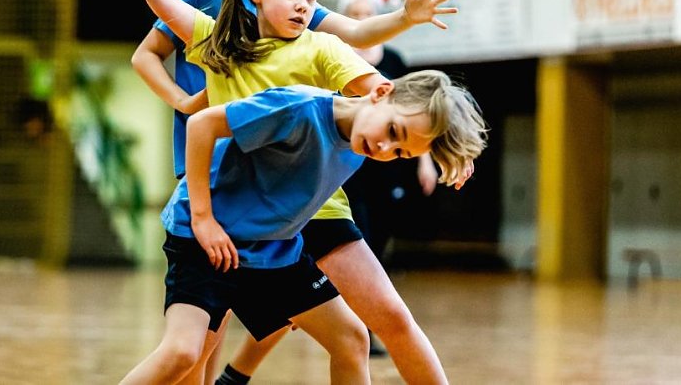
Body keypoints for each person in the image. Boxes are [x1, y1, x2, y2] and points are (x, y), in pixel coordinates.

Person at [131, 0, 458, 382]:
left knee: (362, 328)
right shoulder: (219, 37)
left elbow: (392, 96)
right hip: (234, 206)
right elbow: (157, 8)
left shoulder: (318, 47)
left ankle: (234, 376)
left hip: (307, 207)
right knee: (191, 350)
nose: (304, 4)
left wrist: (444, 137)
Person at [119, 69, 488, 384]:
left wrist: (451, 153)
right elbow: (202, 124)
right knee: (184, 354)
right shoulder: (299, 108)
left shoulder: (361, 138)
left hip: (272, 251)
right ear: (380, 91)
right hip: (207, 240)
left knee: (351, 338)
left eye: (400, 152)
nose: (383, 147)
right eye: (393, 131)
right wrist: (203, 218)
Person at [334, 0, 440, 356]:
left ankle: (362, 324)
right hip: (348, 169)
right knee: (355, 240)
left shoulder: (393, 59)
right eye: (357, 12)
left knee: (377, 244)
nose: (362, 18)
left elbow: (414, 112)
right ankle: (354, 325)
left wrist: (425, 160)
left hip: (386, 166)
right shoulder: (337, 54)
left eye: (368, 12)